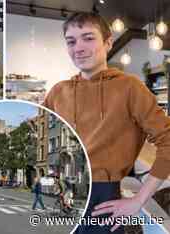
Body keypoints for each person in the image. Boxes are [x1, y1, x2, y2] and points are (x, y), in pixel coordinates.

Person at [43, 12, 170, 233]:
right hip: (61, 197)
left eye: (88, 38)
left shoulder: (130, 87)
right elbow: (40, 139)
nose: (78, 48)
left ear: (108, 42)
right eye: (71, 41)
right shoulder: (57, 92)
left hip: (103, 203)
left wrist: (138, 200)